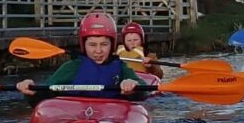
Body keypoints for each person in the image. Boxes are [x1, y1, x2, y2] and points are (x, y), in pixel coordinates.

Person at [17, 13, 147, 103]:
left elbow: (143, 90)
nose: (98, 50)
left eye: (104, 44)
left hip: (110, 118)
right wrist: (32, 90)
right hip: (76, 117)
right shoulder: (72, 67)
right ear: (83, 44)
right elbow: (44, 94)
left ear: (112, 45)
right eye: (92, 45)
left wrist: (133, 86)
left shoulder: (120, 67)